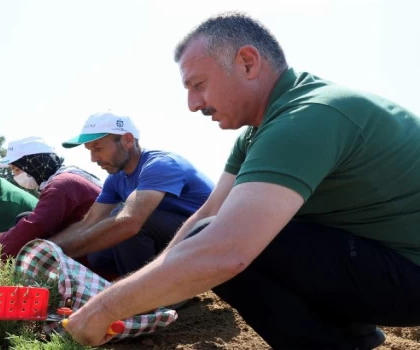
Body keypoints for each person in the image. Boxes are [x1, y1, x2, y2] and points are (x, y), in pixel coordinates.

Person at [62, 12, 420, 349]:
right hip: (383, 263)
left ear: (248, 63)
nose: (192, 103)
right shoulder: (257, 134)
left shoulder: (306, 117)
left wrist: (103, 311)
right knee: (221, 231)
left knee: (230, 244)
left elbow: (224, 250)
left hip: (409, 273)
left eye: (198, 84)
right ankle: (350, 337)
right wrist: (141, 291)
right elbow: (206, 214)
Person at [50, 112, 214, 277]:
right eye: (90, 151)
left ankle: (158, 294)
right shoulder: (115, 178)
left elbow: (130, 222)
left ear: (127, 140)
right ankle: (146, 284)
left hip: (209, 237)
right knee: (99, 255)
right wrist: (49, 248)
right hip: (175, 238)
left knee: (128, 222)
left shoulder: (160, 165)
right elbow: (89, 222)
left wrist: (63, 251)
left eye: (98, 148)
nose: (93, 158)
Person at [0, 137, 102, 263]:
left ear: (34, 164)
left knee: (27, 227)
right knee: (24, 217)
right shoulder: (67, 177)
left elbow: (35, 225)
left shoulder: (62, 184)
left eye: (17, 169)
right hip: (87, 240)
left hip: (94, 252)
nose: (15, 175)